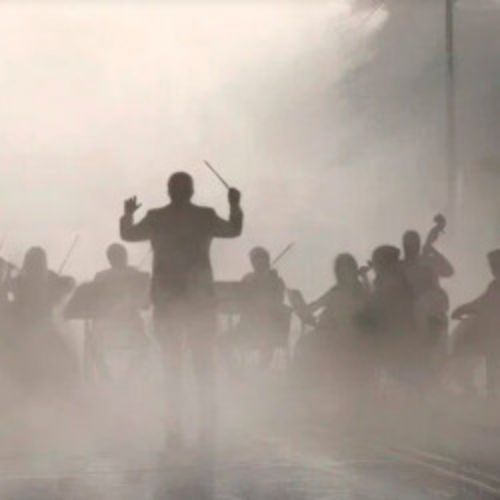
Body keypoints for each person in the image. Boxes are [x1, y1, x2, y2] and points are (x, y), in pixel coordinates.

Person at [120, 171, 243, 446]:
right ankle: (205, 420)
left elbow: (127, 234)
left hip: (171, 297)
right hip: (195, 298)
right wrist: (234, 205)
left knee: (172, 363)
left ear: (169, 190)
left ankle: (176, 423)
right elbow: (234, 230)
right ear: (191, 190)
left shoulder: (156, 217)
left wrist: (127, 214)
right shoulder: (204, 216)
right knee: (201, 362)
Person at [9, 247, 77, 395]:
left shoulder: (19, 279)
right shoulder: (49, 277)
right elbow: (68, 283)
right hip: (40, 329)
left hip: (24, 329)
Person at [91, 243, 150, 379]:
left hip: (106, 328)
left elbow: (93, 305)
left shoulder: (100, 276)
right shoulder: (135, 274)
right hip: (129, 327)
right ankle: (129, 377)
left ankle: (106, 377)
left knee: (94, 346)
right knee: (145, 346)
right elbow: (145, 304)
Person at [452, 250, 500, 398]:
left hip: (495, 332)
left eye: (494, 265)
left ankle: (490, 391)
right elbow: (482, 302)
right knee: (491, 355)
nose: (492, 269)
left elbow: (483, 304)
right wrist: (463, 308)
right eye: (491, 265)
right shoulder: (494, 285)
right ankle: (491, 391)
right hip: (493, 332)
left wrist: (464, 309)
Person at [233, 247, 288, 368]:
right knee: (222, 342)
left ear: (267, 261)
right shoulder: (247, 278)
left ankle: (262, 371)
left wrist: (266, 283)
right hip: (246, 327)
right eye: (254, 260)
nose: (257, 263)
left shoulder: (276, 281)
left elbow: (277, 303)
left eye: (261, 259)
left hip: (267, 328)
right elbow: (239, 300)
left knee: (267, 340)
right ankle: (234, 371)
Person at [401, 226, 454, 299]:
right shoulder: (400, 266)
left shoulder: (427, 261)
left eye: (414, 244)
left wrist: (433, 251)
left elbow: (449, 271)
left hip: (432, 301)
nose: (411, 247)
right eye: (409, 245)